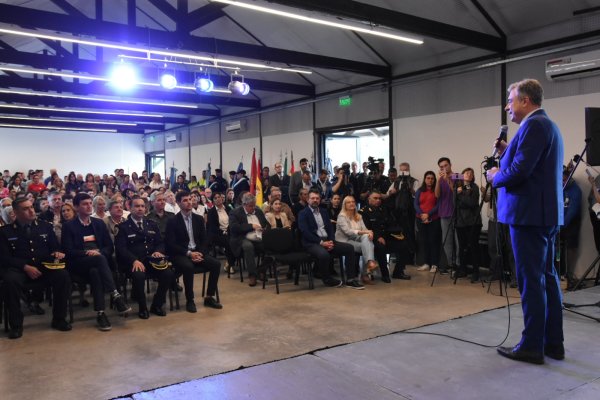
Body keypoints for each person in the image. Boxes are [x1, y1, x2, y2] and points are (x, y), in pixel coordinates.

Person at [487, 78, 564, 364]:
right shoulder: (546, 125)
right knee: (547, 278)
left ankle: (531, 345)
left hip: (529, 215)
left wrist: (496, 176)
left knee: (531, 282)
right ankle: (553, 343)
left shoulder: (533, 125)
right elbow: (531, 164)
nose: (508, 106)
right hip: (543, 214)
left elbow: (520, 171)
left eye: (510, 100)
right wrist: (508, 148)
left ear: (525, 101)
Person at [0, 198, 72, 339]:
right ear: (15, 212)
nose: (31, 210)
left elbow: (54, 248)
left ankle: (59, 319)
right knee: (10, 281)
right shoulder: (5, 232)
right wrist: (25, 267)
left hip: (43, 267)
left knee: (62, 276)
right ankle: (16, 325)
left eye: (31, 207)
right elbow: (4, 258)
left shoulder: (45, 226)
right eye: (26, 208)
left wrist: (56, 253)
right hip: (19, 270)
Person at [61, 193, 131, 331]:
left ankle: (101, 314)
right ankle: (116, 295)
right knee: (98, 260)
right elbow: (68, 251)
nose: (88, 206)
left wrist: (99, 253)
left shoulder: (98, 223)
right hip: (79, 263)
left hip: (98, 263)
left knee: (95, 272)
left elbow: (109, 247)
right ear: (76, 207)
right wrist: (88, 253)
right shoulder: (69, 226)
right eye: (84, 204)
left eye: (89, 203)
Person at [115, 196, 174, 319]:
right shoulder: (123, 227)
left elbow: (160, 242)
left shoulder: (151, 224)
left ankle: (157, 304)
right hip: (133, 262)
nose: (140, 209)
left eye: (142, 206)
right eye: (136, 206)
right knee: (139, 275)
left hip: (151, 261)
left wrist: (158, 251)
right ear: (130, 208)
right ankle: (142, 307)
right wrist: (133, 260)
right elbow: (121, 249)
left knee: (168, 273)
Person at [165, 191, 222, 312]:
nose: (189, 202)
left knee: (216, 264)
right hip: (181, 254)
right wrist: (189, 254)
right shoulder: (173, 221)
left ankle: (209, 297)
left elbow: (204, 239)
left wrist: (200, 253)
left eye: (190, 199)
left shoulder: (199, 219)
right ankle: (190, 300)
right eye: (185, 200)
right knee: (188, 266)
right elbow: (171, 244)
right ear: (179, 203)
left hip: (198, 251)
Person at [298, 189, 363, 289]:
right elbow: (305, 232)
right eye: (312, 198)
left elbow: (330, 228)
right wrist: (321, 242)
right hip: (312, 243)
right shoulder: (303, 213)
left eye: (317, 198)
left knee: (349, 248)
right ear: (308, 200)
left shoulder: (324, 211)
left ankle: (350, 279)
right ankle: (327, 279)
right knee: (324, 254)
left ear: (320, 200)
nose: (315, 200)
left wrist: (331, 240)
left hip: (328, 240)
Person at [229, 193, 271, 287]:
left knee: (270, 245)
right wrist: (251, 226)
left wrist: (264, 229)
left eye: (254, 205)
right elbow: (234, 228)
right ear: (244, 205)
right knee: (248, 246)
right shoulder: (235, 212)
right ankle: (252, 275)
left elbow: (266, 224)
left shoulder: (258, 211)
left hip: (258, 236)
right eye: (250, 206)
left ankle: (261, 270)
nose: (253, 208)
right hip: (242, 238)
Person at [335, 196, 377, 284]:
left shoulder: (359, 216)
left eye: (353, 201)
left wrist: (369, 233)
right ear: (344, 205)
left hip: (356, 239)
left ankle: (369, 263)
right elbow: (348, 232)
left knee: (367, 239)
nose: (351, 203)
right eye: (348, 202)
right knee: (368, 246)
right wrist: (365, 232)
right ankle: (366, 272)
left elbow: (365, 229)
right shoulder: (341, 216)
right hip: (344, 240)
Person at [454, 168, 483, 282]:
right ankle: (462, 269)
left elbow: (472, 203)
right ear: (462, 175)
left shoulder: (474, 187)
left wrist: (460, 195)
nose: (469, 174)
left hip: (473, 222)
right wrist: (458, 193)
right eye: (466, 172)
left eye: (471, 173)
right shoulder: (457, 187)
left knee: (473, 246)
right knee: (462, 246)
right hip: (460, 222)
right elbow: (454, 203)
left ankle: (476, 271)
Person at [435, 157, 459, 274]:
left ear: (450, 165)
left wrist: (448, 179)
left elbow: (456, 192)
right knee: (447, 241)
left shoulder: (457, 176)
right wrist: (439, 181)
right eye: (441, 167)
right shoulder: (440, 179)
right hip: (444, 213)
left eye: (445, 165)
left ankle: (459, 265)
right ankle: (451, 265)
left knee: (458, 241)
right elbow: (437, 195)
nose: (444, 168)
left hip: (456, 213)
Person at [414, 171, 441, 273]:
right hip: (420, 219)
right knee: (423, 241)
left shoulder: (437, 190)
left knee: (433, 241)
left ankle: (434, 264)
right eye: (428, 178)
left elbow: (438, 205)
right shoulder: (419, 191)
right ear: (425, 179)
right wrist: (422, 215)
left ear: (434, 180)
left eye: (432, 178)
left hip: (433, 219)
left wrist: (428, 214)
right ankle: (426, 263)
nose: (430, 180)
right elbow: (416, 204)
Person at [561, 166, 582, 290]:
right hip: (560, 223)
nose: (562, 182)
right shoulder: (560, 188)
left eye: (564, 180)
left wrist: (561, 225)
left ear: (569, 178)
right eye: (561, 180)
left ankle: (570, 276)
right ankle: (559, 275)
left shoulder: (576, 191)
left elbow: (572, 212)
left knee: (570, 250)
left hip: (571, 225)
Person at [206, 192, 236, 273]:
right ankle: (231, 264)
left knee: (236, 240)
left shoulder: (228, 208)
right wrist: (224, 232)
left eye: (219, 197)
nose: (218, 199)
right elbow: (213, 228)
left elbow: (233, 221)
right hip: (218, 234)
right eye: (215, 198)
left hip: (230, 232)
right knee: (230, 242)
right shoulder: (211, 212)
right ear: (213, 201)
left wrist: (229, 230)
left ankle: (229, 263)